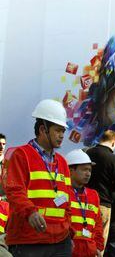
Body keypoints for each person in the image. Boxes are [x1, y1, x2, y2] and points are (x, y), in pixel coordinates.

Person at [3, 99, 72, 256]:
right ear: (43, 129)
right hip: (30, 240)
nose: (62, 135)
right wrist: (31, 212)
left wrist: (70, 231)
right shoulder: (22, 154)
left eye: (63, 131)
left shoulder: (62, 161)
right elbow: (14, 191)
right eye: (58, 130)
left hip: (61, 240)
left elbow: (67, 199)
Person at [86, 130, 115, 250]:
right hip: (103, 204)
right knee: (99, 243)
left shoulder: (87, 153)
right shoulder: (114, 159)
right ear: (114, 143)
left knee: (84, 239)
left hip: (84, 202)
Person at [66, 149, 104, 257]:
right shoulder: (62, 192)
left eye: (90, 170)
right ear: (71, 170)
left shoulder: (93, 195)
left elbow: (98, 224)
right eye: (84, 170)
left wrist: (98, 246)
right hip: (68, 249)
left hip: (89, 250)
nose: (88, 174)